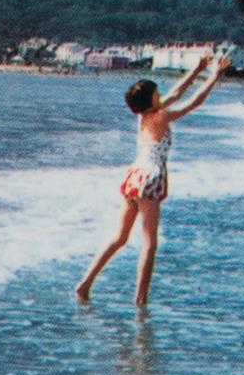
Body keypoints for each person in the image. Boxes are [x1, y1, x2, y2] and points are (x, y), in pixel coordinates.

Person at [75, 55, 230, 305]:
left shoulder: (146, 115)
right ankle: (140, 299)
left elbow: (179, 91)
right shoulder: (160, 117)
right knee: (149, 243)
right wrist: (214, 76)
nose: (161, 95)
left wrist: (198, 68)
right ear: (150, 101)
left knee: (120, 238)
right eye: (157, 94)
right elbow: (194, 102)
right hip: (149, 179)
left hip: (134, 175)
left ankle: (85, 284)